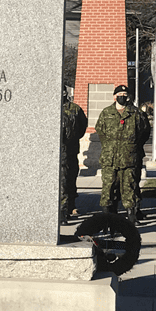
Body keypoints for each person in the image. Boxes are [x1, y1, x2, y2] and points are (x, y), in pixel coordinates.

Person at [95, 85, 151, 223]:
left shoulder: (136, 113)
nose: (122, 96)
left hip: (129, 158)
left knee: (129, 188)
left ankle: (131, 218)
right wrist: (110, 146)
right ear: (114, 97)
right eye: (120, 94)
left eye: (125, 94)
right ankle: (109, 218)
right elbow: (100, 131)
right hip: (110, 158)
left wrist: (132, 147)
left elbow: (144, 132)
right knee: (108, 189)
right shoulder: (106, 113)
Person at [60, 88, 87, 222]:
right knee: (62, 182)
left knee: (70, 180)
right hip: (56, 153)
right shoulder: (48, 106)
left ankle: (70, 206)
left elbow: (82, 126)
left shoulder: (75, 109)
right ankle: (62, 212)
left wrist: (73, 138)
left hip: (70, 150)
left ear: (65, 93)